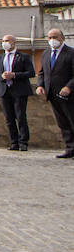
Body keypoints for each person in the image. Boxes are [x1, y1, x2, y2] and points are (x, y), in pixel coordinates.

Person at [0, 34, 34, 152]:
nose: (5, 42)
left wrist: (14, 75)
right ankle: (13, 142)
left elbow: (31, 72)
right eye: (3, 40)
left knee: (20, 117)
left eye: (7, 40)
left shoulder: (24, 57)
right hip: (5, 91)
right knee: (9, 118)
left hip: (19, 90)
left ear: (14, 42)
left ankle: (23, 142)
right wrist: (1, 76)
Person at [36, 28, 74, 159]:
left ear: (62, 38)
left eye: (55, 37)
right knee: (62, 123)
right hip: (52, 94)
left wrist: (69, 87)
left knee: (72, 120)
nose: (52, 40)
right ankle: (70, 148)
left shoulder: (71, 53)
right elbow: (42, 73)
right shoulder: (46, 54)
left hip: (69, 95)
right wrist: (40, 85)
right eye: (49, 37)